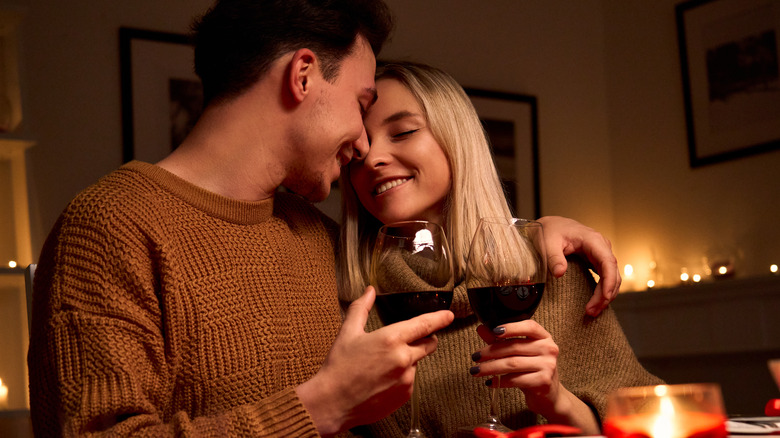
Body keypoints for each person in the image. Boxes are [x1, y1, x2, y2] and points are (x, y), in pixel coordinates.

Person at [28, 1, 459, 437]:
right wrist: (319, 407)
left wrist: (528, 254)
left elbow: (433, 302)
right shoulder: (108, 226)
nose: (365, 145)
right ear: (303, 75)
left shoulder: (317, 236)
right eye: (360, 103)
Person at [337, 61, 663, 437]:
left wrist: (557, 401)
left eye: (403, 132)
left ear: (456, 138)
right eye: (357, 149)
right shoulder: (348, 301)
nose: (372, 158)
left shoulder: (551, 270)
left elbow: (651, 420)